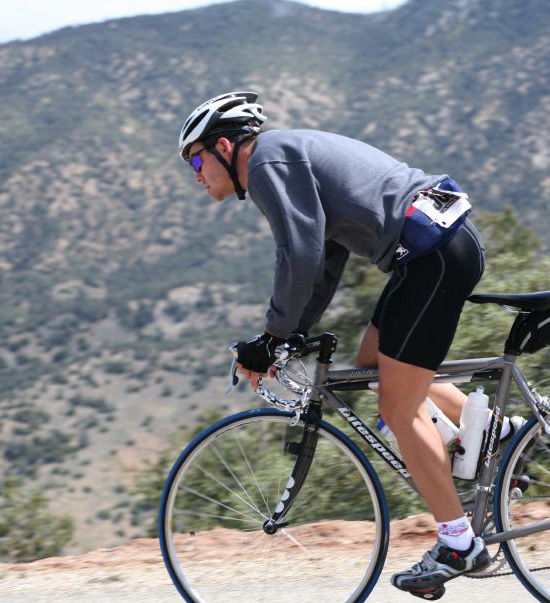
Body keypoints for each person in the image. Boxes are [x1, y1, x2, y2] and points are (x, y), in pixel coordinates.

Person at [178, 91, 495, 594]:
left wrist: (271, 338)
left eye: (196, 159)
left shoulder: (265, 163)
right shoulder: (281, 157)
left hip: (430, 256)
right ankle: (498, 435)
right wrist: (286, 334)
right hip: (433, 249)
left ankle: (459, 542)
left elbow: (298, 257)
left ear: (223, 146)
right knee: (372, 368)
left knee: (397, 403)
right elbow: (324, 262)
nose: (197, 174)